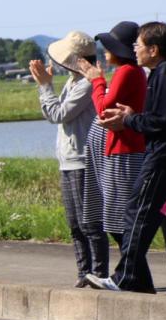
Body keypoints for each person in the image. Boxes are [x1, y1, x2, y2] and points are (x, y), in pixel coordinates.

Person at [87, 22, 166, 297]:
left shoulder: (163, 74)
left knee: (137, 213)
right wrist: (134, 115)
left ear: (154, 49)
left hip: (162, 160)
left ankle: (125, 277)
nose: (135, 49)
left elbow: (161, 122)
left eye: (139, 45)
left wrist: (128, 119)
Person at [76, 21, 151, 290]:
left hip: (124, 151)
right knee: (118, 218)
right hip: (124, 149)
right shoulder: (133, 71)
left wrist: (96, 81)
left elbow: (103, 109)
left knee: (119, 219)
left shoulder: (126, 72)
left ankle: (131, 279)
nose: (104, 49)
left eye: (109, 44)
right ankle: (138, 281)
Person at [30, 30, 108, 286]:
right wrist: (47, 87)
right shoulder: (74, 81)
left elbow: (58, 114)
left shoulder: (86, 83)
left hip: (82, 160)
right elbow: (55, 114)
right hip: (68, 160)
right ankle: (83, 273)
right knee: (75, 224)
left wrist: (44, 86)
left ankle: (98, 274)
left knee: (90, 223)